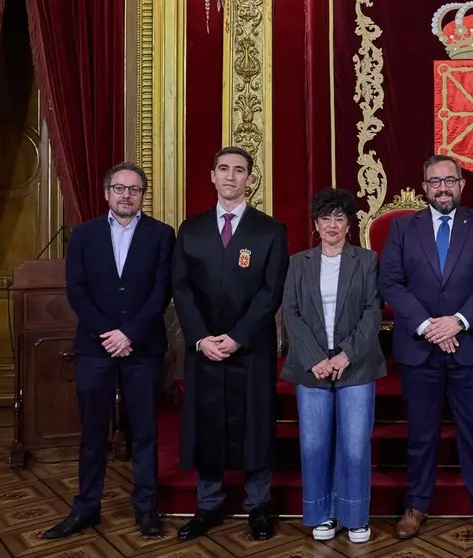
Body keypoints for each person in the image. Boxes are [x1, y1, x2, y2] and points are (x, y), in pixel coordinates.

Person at [379, 154, 473, 539]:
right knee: (421, 433)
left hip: (470, 346)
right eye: (434, 181)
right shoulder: (403, 228)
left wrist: (458, 321)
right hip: (419, 350)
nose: (442, 187)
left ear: (462, 184)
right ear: (424, 187)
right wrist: (427, 325)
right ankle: (416, 504)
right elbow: (391, 282)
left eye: (449, 180)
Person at [45, 163, 175, 540]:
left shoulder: (162, 235)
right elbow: (76, 290)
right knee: (92, 433)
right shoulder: (84, 236)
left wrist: (129, 333)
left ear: (142, 195)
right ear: (107, 193)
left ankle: (146, 508)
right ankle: (86, 507)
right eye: (119, 188)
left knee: (146, 432)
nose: (126, 195)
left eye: (134, 190)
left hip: (144, 348)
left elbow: (161, 292)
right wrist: (109, 333)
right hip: (95, 348)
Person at [171, 146, 289, 542]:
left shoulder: (270, 230)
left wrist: (237, 337)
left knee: (255, 425)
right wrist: (202, 338)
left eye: (239, 170)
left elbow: (270, 293)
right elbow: (181, 289)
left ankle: (258, 506)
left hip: (251, 347)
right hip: (204, 349)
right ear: (212, 175)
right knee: (207, 425)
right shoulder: (191, 229)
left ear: (250, 180)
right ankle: (208, 505)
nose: (230, 176)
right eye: (223, 168)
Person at [281, 188, 386, 544]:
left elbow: (373, 312)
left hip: (355, 364)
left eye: (339, 218)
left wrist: (345, 354)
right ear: (316, 224)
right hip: (311, 367)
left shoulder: (367, 260)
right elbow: (290, 314)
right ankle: (323, 515)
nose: (332, 225)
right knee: (314, 445)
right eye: (326, 218)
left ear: (349, 224)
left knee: (355, 445)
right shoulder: (298, 263)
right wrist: (315, 359)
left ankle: (355, 517)